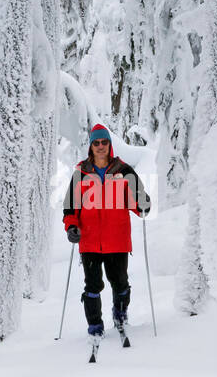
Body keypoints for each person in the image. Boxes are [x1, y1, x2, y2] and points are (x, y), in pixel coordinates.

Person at [62, 124, 151, 338]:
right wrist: (72, 227)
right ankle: (95, 325)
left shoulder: (124, 170)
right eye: (96, 143)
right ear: (91, 146)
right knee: (92, 285)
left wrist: (143, 204)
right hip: (90, 240)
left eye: (104, 142)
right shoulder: (80, 173)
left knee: (120, 282)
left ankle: (120, 314)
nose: (100, 146)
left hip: (117, 239)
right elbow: (70, 208)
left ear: (109, 145)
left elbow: (138, 203)